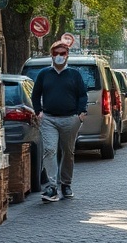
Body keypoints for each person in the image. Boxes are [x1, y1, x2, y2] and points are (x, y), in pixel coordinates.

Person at [31, 41, 87, 202]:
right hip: (49, 119)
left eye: (62, 53)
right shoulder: (44, 74)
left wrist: (81, 113)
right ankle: (51, 186)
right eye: (56, 53)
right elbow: (36, 95)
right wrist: (38, 112)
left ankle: (66, 184)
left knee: (68, 152)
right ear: (52, 55)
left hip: (70, 119)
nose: (59, 56)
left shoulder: (74, 75)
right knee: (49, 150)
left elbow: (82, 95)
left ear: (67, 55)